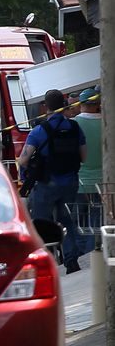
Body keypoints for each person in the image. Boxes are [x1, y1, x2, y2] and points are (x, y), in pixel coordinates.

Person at [18, 89, 86, 274]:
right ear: (63, 104)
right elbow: (83, 156)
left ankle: (45, 263)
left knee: (41, 223)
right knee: (67, 220)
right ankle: (71, 260)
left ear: (45, 106)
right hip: (70, 183)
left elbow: (23, 160)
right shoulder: (74, 128)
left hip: (46, 184)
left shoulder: (39, 131)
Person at [72, 87, 102, 257]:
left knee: (79, 222)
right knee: (97, 221)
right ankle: (94, 253)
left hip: (80, 182)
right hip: (102, 182)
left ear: (81, 104)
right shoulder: (106, 121)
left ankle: (82, 254)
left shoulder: (75, 124)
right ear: (97, 104)